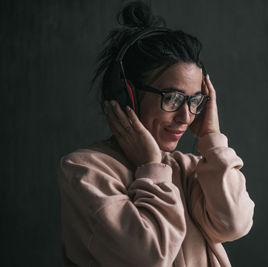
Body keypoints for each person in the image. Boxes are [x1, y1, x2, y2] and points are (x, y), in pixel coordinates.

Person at [57, 1, 254, 266]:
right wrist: (151, 167)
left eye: (195, 101)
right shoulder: (85, 172)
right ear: (128, 96)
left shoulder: (191, 169)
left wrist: (212, 138)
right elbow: (149, 257)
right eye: (172, 98)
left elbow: (233, 224)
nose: (186, 116)